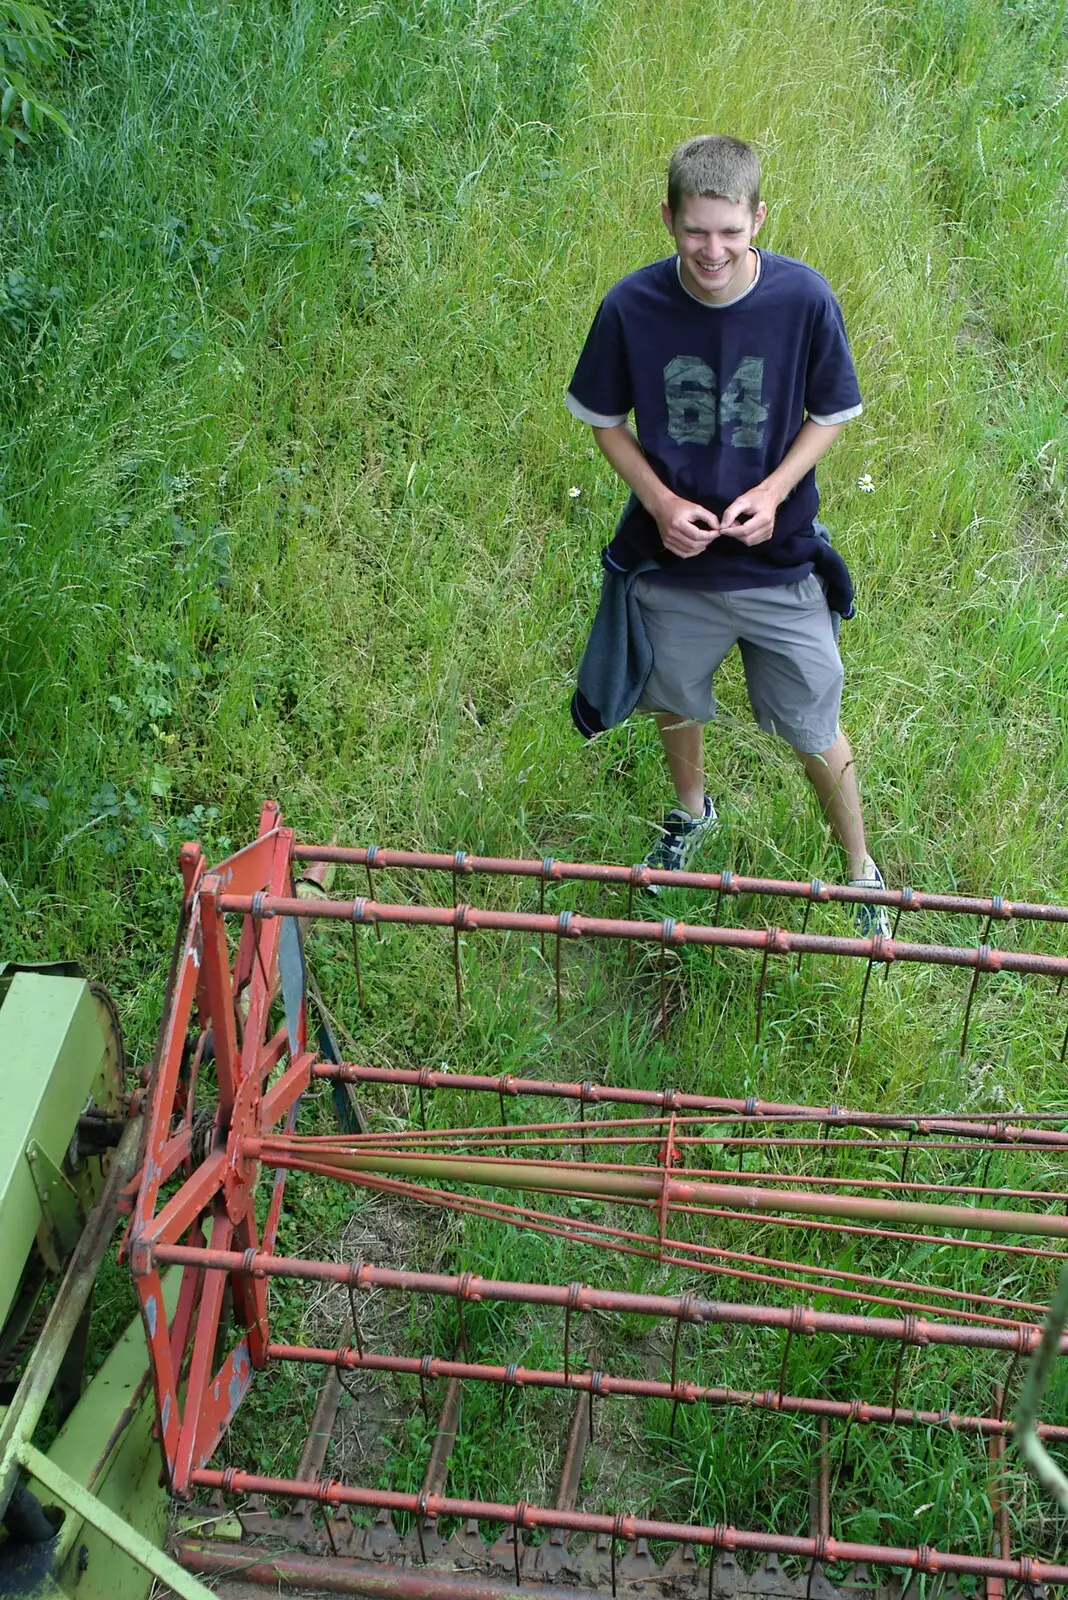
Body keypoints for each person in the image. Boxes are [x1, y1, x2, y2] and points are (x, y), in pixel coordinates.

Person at [565, 134, 888, 931]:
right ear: (667, 218)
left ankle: (860, 870)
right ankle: (692, 813)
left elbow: (831, 412)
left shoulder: (803, 300)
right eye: (694, 231)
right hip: (678, 566)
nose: (712, 250)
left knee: (816, 720)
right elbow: (604, 421)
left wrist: (777, 490)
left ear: (758, 219)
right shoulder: (629, 307)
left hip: (780, 564)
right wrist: (662, 504)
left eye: (730, 232)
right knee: (674, 696)